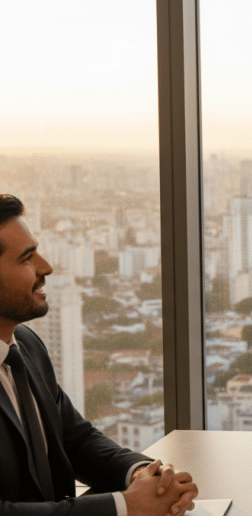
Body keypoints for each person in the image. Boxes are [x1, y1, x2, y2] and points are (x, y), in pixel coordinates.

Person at [0, 194, 199, 516]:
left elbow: (75, 440)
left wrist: (143, 475)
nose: (46, 267)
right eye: (26, 258)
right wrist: (124, 506)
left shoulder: (25, 346)